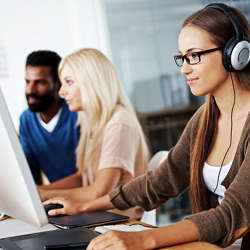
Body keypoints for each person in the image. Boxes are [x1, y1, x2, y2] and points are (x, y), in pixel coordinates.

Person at [44, 3, 250, 250]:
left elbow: (233, 213)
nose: (184, 68)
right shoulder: (204, 119)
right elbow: (159, 183)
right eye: (182, 58)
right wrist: (87, 206)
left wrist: (144, 238)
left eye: (194, 56)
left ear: (234, 54)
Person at [40, 48, 150, 219]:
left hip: (117, 219)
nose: (61, 92)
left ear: (92, 82)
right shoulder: (94, 122)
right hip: (97, 214)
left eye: (69, 82)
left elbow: (99, 191)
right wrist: (40, 190)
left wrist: (46, 195)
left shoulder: (119, 123)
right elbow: (85, 176)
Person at [20, 50, 79, 184]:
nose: (30, 90)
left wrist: (42, 193)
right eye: (27, 82)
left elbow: (88, 176)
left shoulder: (77, 114)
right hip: (55, 198)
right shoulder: (26, 120)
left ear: (58, 84)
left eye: (40, 82)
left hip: (86, 197)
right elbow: (32, 175)